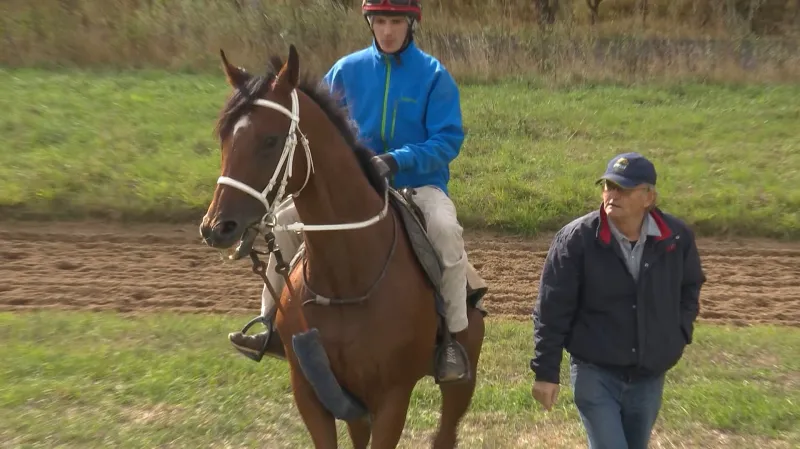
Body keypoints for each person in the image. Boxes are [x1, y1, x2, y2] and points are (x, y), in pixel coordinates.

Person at [228, 0, 473, 383]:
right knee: (281, 224)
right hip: (350, 188)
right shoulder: (345, 71)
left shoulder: (433, 76)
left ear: (411, 24)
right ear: (370, 24)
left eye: (395, 21)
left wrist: (397, 160)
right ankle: (270, 326)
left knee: (445, 231)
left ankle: (452, 340)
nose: (388, 31)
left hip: (417, 184)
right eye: (380, 21)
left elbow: (448, 140)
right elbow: (315, 127)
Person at [529, 152, 706, 449]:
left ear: (649, 197)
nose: (612, 195)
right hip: (594, 372)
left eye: (623, 188)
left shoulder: (676, 237)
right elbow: (551, 308)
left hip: (649, 375)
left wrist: (677, 335)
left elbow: (690, 287)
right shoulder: (576, 239)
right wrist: (545, 373)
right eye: (609, 186)